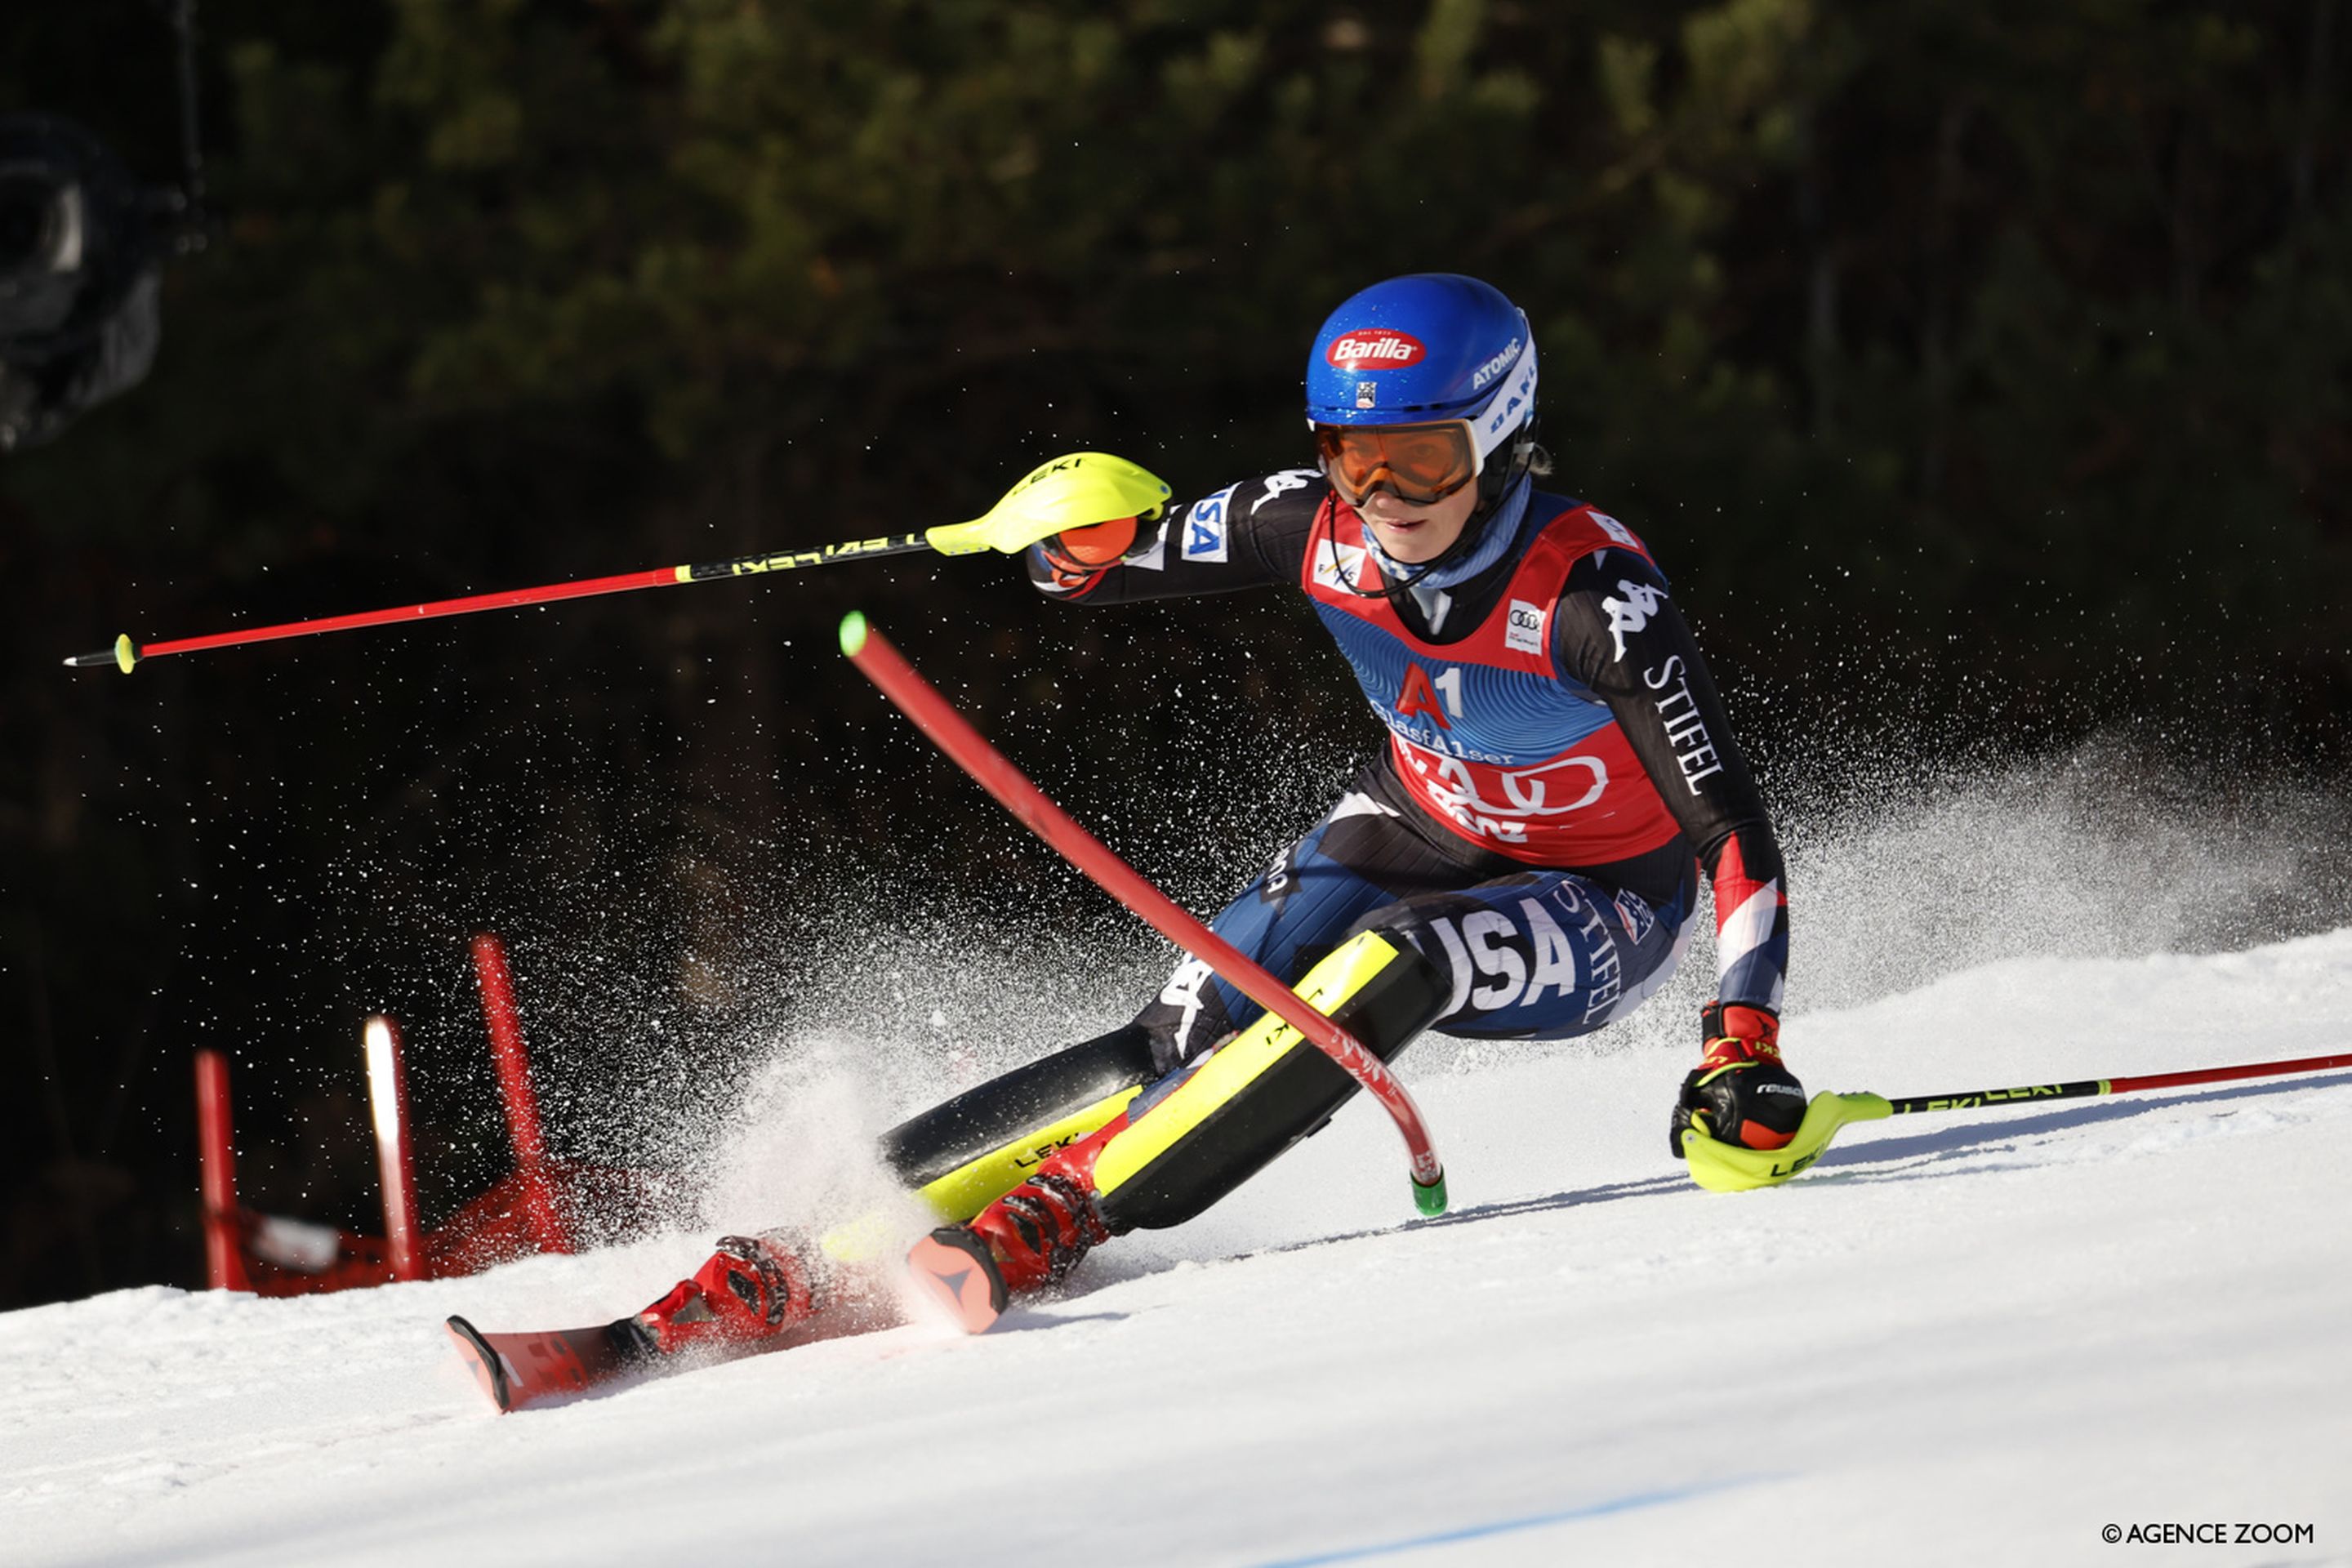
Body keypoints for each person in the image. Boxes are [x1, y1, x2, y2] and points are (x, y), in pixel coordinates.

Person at [630, 274, 1804, 1352]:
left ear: (1499, 441)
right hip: (1415, 823)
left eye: (1424, 462)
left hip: (1601, 897)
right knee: (1174, 1035)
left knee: (1405, 960)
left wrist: (1740, 1041)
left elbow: (1730, 832)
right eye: (1356, 459)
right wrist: (1059, 532)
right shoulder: (1313, 525)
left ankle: (1066, 1213)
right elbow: (1093, 567)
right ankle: (812, 1239)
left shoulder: (1598, 600)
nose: (1386, 499)